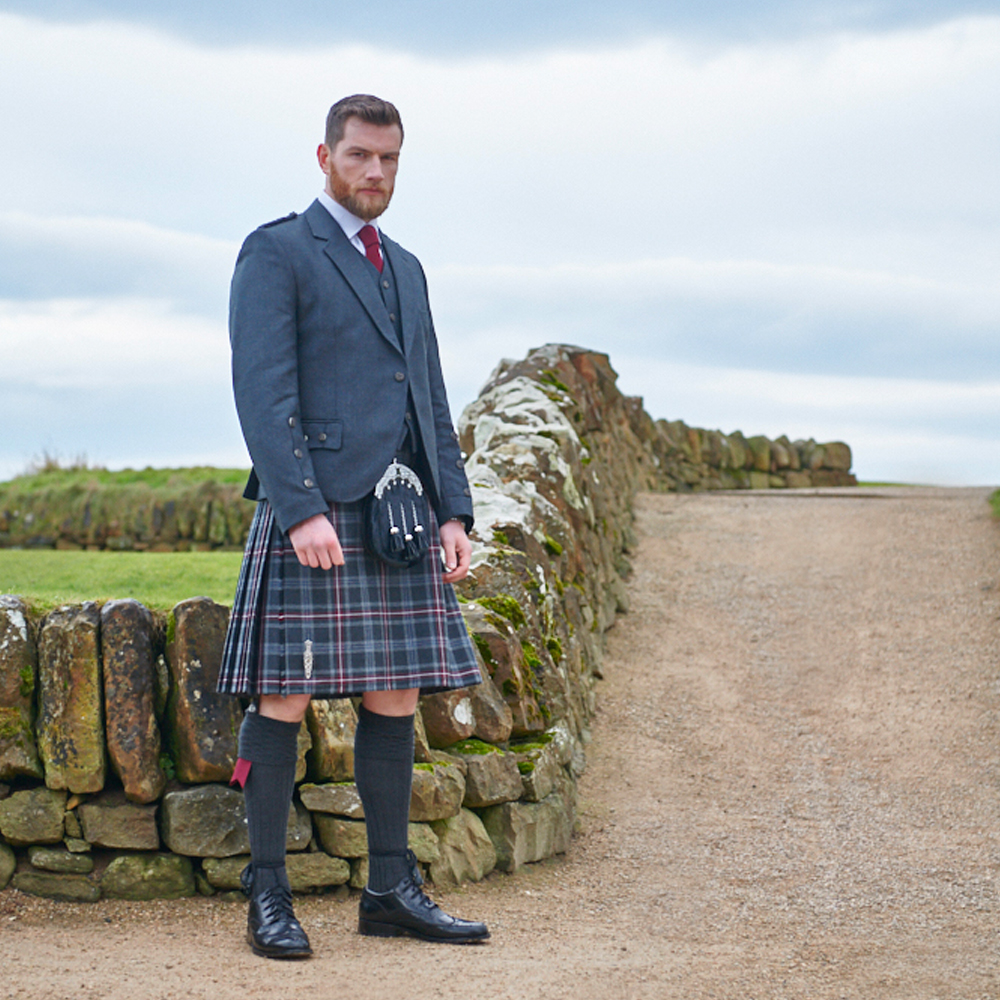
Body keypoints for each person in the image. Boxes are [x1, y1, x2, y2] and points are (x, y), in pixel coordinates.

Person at [217, 94, 489, 958]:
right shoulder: (279, 251)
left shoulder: (404, 266)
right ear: (326, 156)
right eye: (361, 156)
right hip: (318, 505)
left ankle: (389, 887)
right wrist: (297, 509)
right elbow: (263, 392)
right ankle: (267, 895)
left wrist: (455, 508)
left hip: (398, 513)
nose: (376, 172)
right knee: (284, 698)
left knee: (397, 691)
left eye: (390, 159)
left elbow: (430, 398)